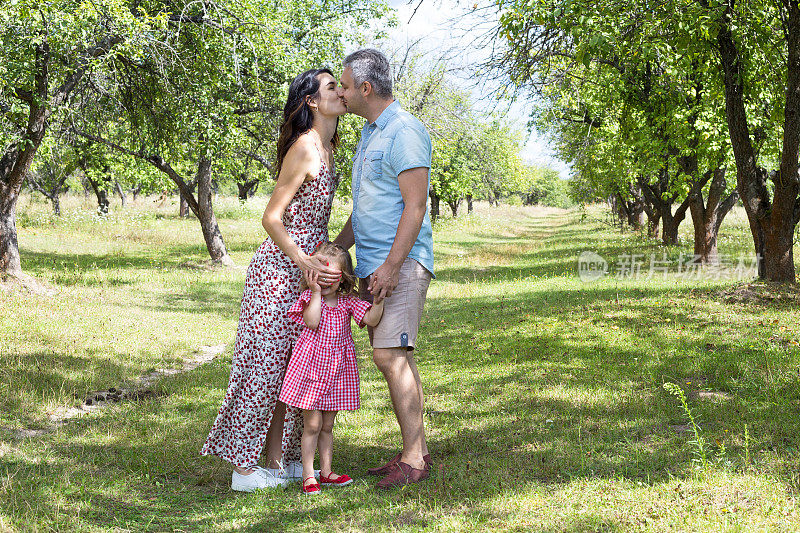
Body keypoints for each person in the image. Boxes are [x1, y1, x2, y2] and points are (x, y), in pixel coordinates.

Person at [201, 68, 344, 492]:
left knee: (293, 370)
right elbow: (271, 217)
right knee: (262, 367)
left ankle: (282, 460)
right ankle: (243, 469)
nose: (341, 91)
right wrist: (302, 258)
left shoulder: (329, 146)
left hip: (307, 273)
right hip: (278, 273)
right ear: (312, 102)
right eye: (332, 86)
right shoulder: (304, 148)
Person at [333, 49, 435, 489]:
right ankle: (417, 451)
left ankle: (414, 460)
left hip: (401, 264)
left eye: (345, 85)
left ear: (366, 89)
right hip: (374, 267)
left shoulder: (404, 131)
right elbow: (366, 209)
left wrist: (393, 267)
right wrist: (333, 249)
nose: (341, 92)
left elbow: (415, 207)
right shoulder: (370, 134)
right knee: (396, 357)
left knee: (389, 355)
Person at [279, 243, 385, 495]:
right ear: (312, 274)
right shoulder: (308, 298)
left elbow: (370, 319)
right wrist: (315, 292)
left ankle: (325, 471)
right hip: (310, 372)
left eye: (332, 278)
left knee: (327, 426)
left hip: (337, 373)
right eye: (320, 276)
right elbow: (312, 322)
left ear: (343, 279)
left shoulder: (348, 302)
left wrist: (379, 301)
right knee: (312, 425)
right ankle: (308, 474)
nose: (325, 282)